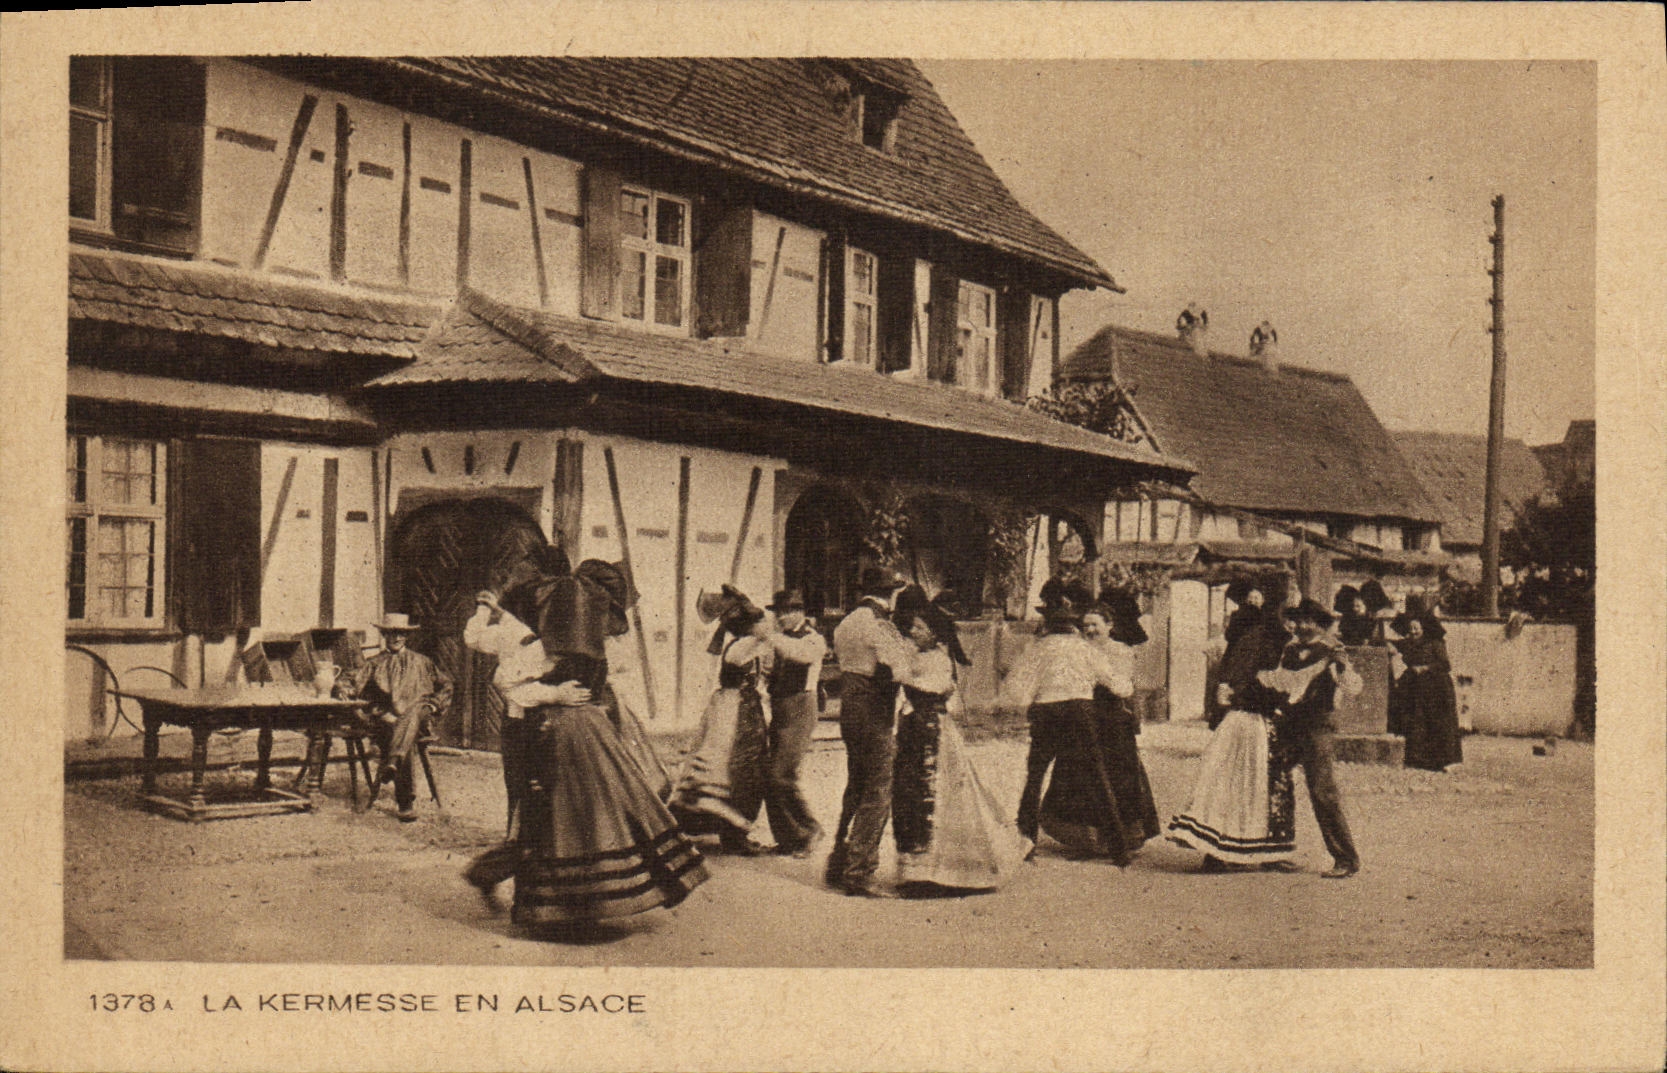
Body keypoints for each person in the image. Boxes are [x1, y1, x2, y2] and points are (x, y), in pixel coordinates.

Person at [469, 548, 708, 926]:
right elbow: (506, 683)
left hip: (590, 734)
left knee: (599, 814)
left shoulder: (596, 644)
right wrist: (553, 694)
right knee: (548, 818)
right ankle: (530, 890)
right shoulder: (543, 646)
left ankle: (584, 900)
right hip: (546, 735)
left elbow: (614, 675)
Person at [889, 587, 1029, 895]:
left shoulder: (938, 659)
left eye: (919, 627)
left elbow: (937, 687)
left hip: (933, 733)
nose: (913, 632)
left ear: (934, 633)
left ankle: (943, 870)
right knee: (912, 795)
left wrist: (904, 678)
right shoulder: (919, 655)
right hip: (916, 730)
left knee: (936, 794)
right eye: (912, 627)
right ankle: (917, 871)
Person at [1000, 579, 1135, 863]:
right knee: (1098, 777)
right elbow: (1117, 685)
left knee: (1035, 777)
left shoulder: (1037, 649)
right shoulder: (1084, 649)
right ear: (1074, 624)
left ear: (1047, 622)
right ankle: (1119, 849)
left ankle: (1026, 842)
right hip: (1080, 713)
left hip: (1046, 713)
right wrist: (1124, 689)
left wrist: (1032, 696)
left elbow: (1015, 691)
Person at [1167, 592, 1300, 872]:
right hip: (1249, 721)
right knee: (1239, 783)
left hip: (1254, 721)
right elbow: (1243, 685)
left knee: (1261, 785)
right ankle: (1218, 850)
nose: (1293, 625)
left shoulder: (1269, 641)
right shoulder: (1263, 641)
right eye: (1288, 618)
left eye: (1296, 619)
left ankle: (1260, 850)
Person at [1261, 597, 1365, 879]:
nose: (1304, 626)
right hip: (1291, 723)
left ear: (1320, 624)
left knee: (1322, 790)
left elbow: (1354, 687)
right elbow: (1281, 682)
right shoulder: (1290, 650)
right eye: (1300, 620)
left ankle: (1346, 858)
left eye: (1311, 621)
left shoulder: (1332, 651)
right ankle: (1273, 850)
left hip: (1318, 726)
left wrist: (1343, 668)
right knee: (1276, 781)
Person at [824, 566, 913, 897]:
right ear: (891, 594)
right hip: (875, 710)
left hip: (850, 708)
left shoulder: (847, 622)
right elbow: (901, 670)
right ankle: (859, 872)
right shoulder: (881, 625)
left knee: (856, 786)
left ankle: (838, 861)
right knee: (878, 789)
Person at [670, 586, 774, 855]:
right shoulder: (742, 645)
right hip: (733, 710)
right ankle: (733, 834)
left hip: (739, 707)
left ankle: (732, 832)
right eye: (754, 621)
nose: (759, 625)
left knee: (736, 768)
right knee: (738, 769)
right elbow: (767, 638)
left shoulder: (744, 644)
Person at [336, 612, 453, 822]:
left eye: (400, 634)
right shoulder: (374, 663)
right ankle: (405, 803)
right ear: (383, 635)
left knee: (414, 713)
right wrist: (342, 688)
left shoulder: (422, 661)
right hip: (386, 720)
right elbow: (349, 681)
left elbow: (446, 685)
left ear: (406, 636)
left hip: (421, 715)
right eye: (390, 634)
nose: (396, 638)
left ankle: (393, 762)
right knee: (403, 732)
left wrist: (434, 705)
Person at [1080, 594, 1161, 856]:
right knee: (1083, 776)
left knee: (1119, 776)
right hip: (1087, 717)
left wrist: (1097, 677)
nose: (1090, 630)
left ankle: (1125, 835)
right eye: (1086, 626)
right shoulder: (1080, 650)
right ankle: (1092, 837)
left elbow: (1123, 686)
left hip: (1113, 718)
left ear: (1109, 625)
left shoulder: (1120, 651)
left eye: (1095, 625)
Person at [760, 590, 828, 858]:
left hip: (801, 706)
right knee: (770, 776)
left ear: (801, 612)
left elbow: (801, 656)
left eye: (788, 612)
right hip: (780, 706)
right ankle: (788, 839)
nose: (783, 617)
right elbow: (768, 670)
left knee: (782, 774)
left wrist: (769, 637)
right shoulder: (780, 639)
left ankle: (810, 830)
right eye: (779, 613)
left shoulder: (813, 639)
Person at [1389, 609, 1463, 772]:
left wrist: (1424, 668)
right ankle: (1417, 759)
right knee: (1416, 721)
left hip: (1437, 687)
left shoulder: (1435, 643)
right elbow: (1392, 644)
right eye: (1411, 629)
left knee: (1436, 723)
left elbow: (1445, 665)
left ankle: (1441, 761)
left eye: (1416, 628)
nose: (1413, 631)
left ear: (1423, 628)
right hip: (1416, 688)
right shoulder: (1409, 643)